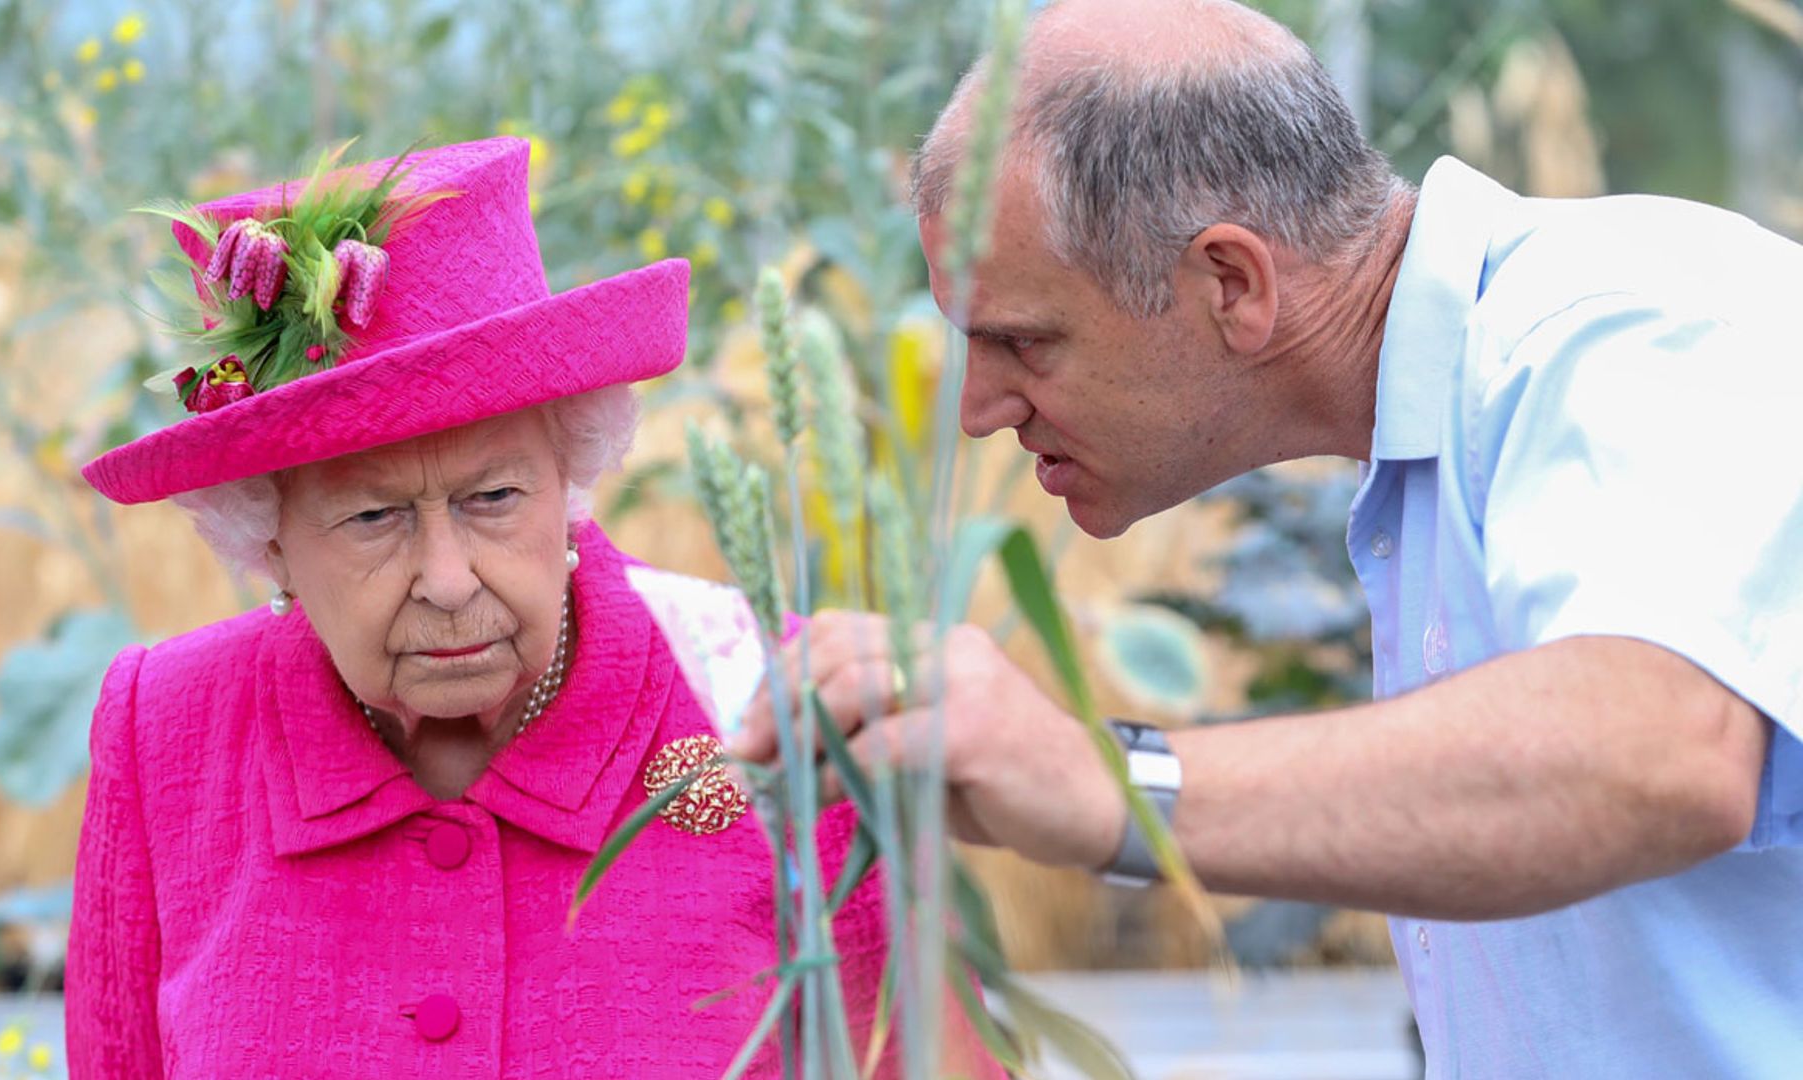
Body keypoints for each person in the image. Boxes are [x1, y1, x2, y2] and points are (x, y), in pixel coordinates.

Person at [732, 0, 1803, 1075]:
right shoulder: (1444, 430)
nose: (980, 408)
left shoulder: (1632, 328)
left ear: (1231, 283)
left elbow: (1657, 751)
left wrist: (1108, 785)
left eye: (1021, 339)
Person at [65, 137, 986, 1079]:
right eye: (373, 516)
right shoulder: (165, 729)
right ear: (269, 537)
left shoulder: (788, 702)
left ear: (569, 473)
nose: (450, 578)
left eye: (494, 498)